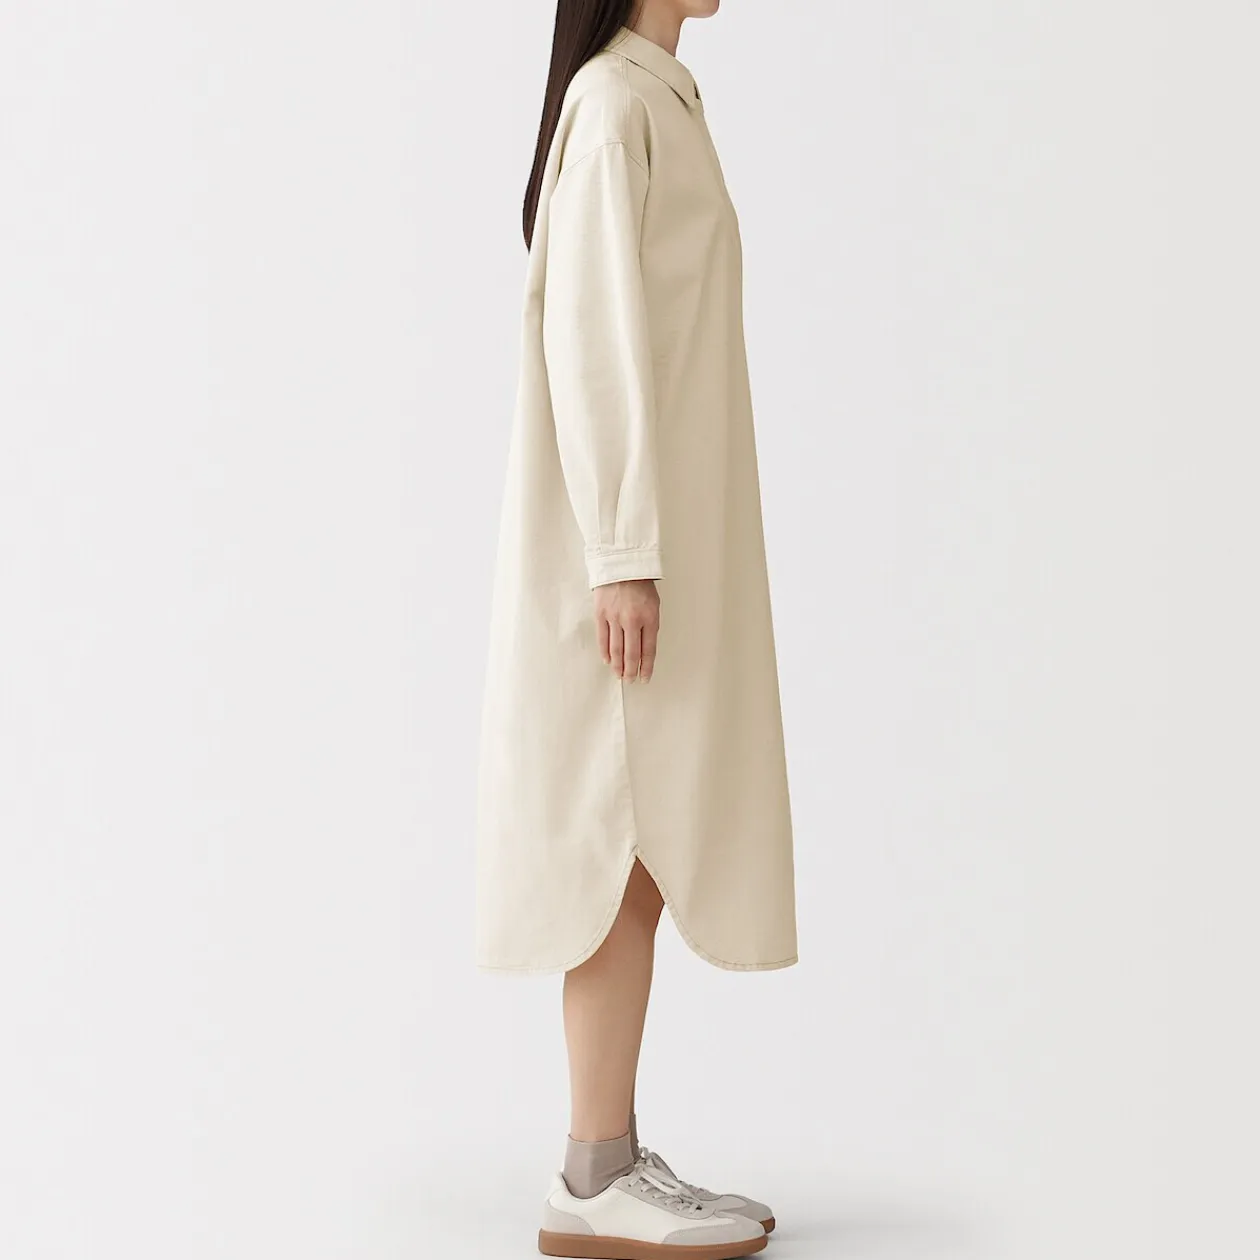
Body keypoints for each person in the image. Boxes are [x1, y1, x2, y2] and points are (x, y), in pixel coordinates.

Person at [476, 2, 798, 1256]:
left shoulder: (653, 97)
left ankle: (606, 1156)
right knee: (620, 846)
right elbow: (592, 339)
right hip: (631, 560)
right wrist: (620, 554)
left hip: (670, 549)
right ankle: (592, 1171)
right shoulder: (614, 106)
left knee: (648, 846)